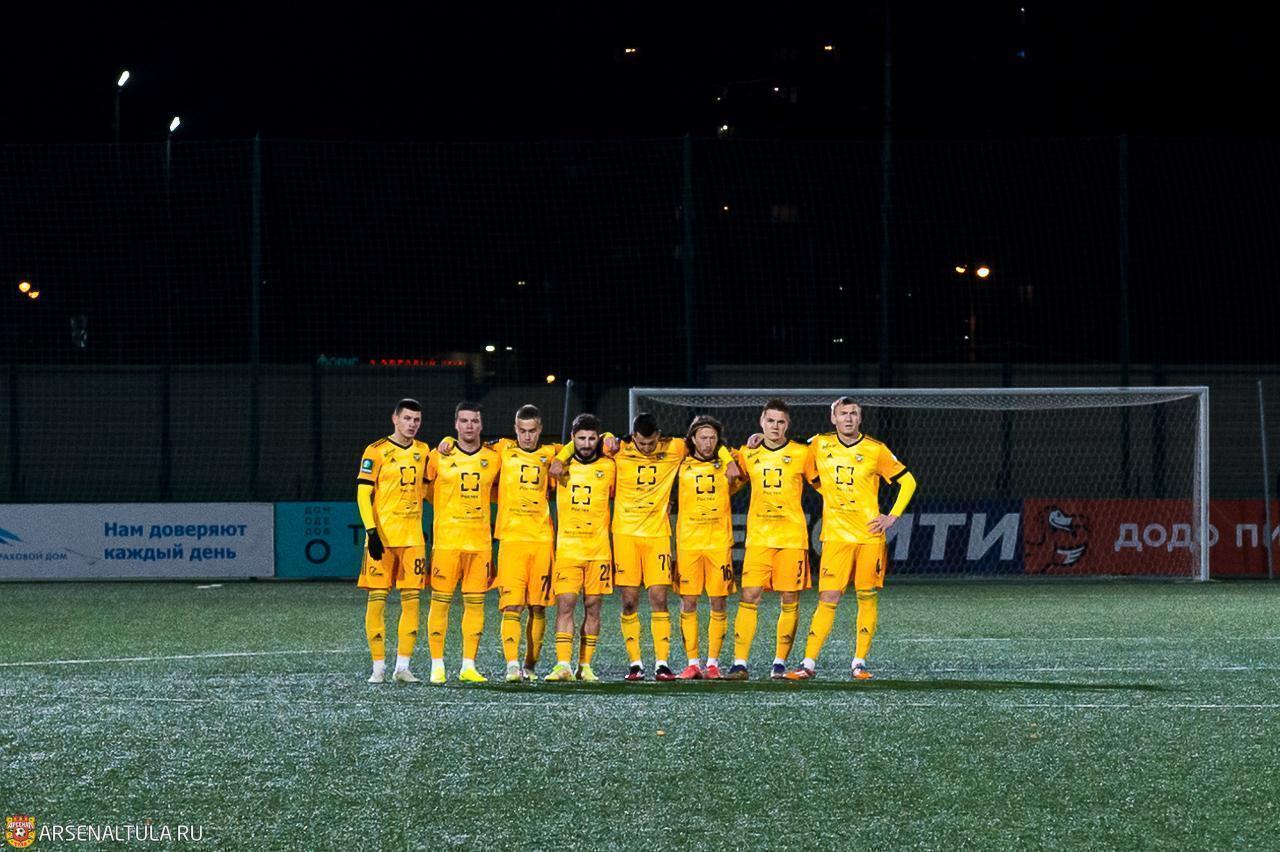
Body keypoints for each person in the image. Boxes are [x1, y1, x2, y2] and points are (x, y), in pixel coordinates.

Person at [554, 412, 739, 681]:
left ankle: (662, 663)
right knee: (629, 601)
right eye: (641, 443)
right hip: (625, 535)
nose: (647, 448)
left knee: (659, 599)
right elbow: (591, 440)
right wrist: (586, 446)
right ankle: (635, 664)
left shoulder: (674, 448)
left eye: (651, 443)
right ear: (633, 437)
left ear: (659, 436)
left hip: (658, 536)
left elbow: (706, 441)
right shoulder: (619, 450)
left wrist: (729, 460)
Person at [787, 397, 917, 680]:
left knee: (866, 596)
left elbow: (909, 481)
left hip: (869, 536)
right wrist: (758, 439)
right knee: (828, 597)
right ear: (833, 418)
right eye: (843, 413)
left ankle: (859, 663)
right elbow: (794, 454)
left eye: (853, 413)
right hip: (835, 536)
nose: (848, 418)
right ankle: (808, 664)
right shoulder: (819, 443)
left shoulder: (876, 449)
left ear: (860, 418)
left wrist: (892, 517)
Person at [438, 404, 561, 681]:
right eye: (522, 431)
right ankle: (512, 666)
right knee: (512, 606)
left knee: (538, 607)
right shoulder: (502, 449)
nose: (527, 436)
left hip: (542, 541)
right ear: (514, 429)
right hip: (510, 541)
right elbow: (468, 445)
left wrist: (564, 457)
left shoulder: (551, 452)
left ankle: (530, 665)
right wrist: (447, 440)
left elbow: (583, 445)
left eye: (532, 431)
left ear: (540, 430)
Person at [726, 399, 813, 680]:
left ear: (788, 425)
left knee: (789, 598)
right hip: (759, 538)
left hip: (792, 538)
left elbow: (825, 480)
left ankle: (779, 663)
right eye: (770, 421)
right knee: (749, 596)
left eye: (781, 422)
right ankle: (740, 663)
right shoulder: (747, 453)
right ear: (761, 422)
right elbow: (730, 481)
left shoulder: (802, 453)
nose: (775, 426)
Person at [425, 401, 502, 684]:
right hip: (447, 542)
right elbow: (425, 490)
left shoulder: (494, 458)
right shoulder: (438, 455)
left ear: (481, 425)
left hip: (480, 544)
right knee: (440, 604)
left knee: (476, 604)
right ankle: (437, 665)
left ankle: (468, 665)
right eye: (464, 421)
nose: (470, 426)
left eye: (474, 421)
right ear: (455, 424)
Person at [356, 398, 430, 684]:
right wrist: (371, 531)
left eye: (416, 420)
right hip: (383, 539)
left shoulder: (423, 450)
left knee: (411, 602)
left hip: (413, 539)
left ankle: (403, 667)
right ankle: (378, 667)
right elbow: (363, 494)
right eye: (407, 418)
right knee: (377, 600)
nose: (412, 424)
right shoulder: (375, 451)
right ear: (395, 419)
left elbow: (429, 488)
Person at [544, 413, 617, 682]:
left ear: (598, 439)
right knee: (566, 604)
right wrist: (562, 456)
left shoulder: (610, 465)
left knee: (593, 606)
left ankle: (585, 666)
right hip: (568, 550)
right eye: (581, 438)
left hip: (598, 551)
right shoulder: (558, 464)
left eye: (592, 438)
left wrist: (610, 437)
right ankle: (563, 664)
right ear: (572, 439)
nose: (586, 443)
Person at [673, 415, 744, 679]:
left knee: (718, 601)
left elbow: (749, 453)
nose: (708, 442)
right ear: (692, 438)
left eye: (713, 438)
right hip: (689, 543)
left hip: (718, 543)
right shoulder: (680, 462)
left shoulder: (729, 463)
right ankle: (693, 663)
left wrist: (727, 455)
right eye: (703, 437)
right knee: (688, 601)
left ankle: (713, 663)